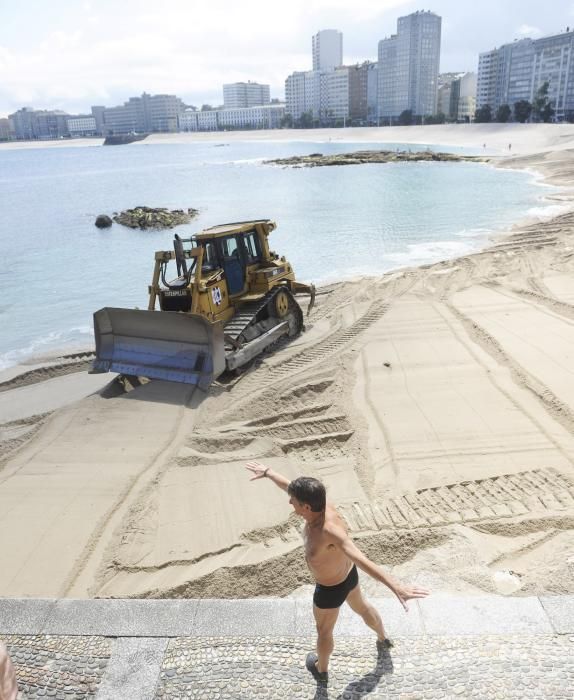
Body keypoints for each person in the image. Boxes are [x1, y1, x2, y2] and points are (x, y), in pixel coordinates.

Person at [245, 461, 430, 684]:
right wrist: (269, 473)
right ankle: (383, 638)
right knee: (362, 607)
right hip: (348, 578)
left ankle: (321, 669)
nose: (289, 501)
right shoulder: (320, 504)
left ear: (306, 508)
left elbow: (361, 558)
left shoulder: (328, 531)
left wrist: (396, 587)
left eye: (293, 501)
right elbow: (290, 487)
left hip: (329, 590)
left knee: (323, 632)